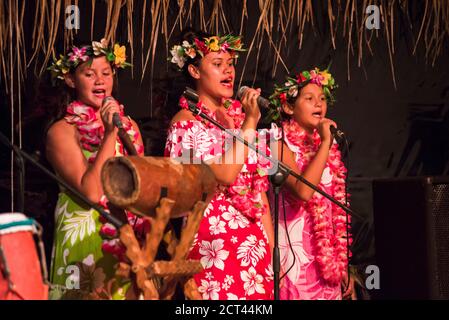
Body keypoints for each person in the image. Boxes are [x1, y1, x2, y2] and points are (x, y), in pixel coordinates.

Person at [165, 31, 274, 300]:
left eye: (231, 64)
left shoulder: (237, 119)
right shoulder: (184, 122)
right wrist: (251, 122)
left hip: (254, 247)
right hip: (214, 247)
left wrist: (270, 249)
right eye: (217, 64)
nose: (228, 71)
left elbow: (259, 192)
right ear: (194, 70)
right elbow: (224, 174)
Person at [44, 39, 147, 299]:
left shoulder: (130, 127)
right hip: (84, 231)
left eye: (106, 73)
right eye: (89, 74)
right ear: (70, 80)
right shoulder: (62, 131)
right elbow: (90, 192)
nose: (100, 81)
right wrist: (110, 134)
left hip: (124, 234)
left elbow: (143, 185)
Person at [267, 68, 354, 300]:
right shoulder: (277, 145)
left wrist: (341, 264)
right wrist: (327, 141)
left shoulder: (326, 149)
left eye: (322, 98)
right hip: (294, 261)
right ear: (288, 107)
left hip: (326, 263)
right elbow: (304, 192)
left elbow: (334, 213)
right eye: (309, 98)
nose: (319, 104)